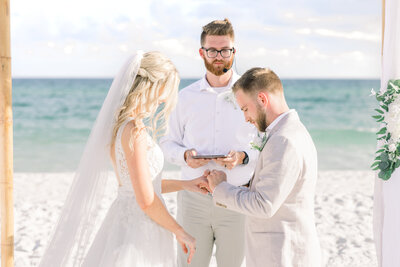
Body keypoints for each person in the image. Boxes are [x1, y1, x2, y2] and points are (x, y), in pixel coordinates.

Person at [39, 51, 207, 267]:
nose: (164, 101)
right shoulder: (134, 130)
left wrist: (187, 184)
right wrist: (180, 231)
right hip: (140, 227)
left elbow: (141, 185)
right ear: (151, 87)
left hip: (125, 219)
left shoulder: (120, 126)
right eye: (164, 92)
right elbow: (146, 200)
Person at [160, 19, 258, 267]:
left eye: (225, 50)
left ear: (234, 52)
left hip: (238, 197)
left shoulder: (251, 95)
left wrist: (242, 157)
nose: (219, 56)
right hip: (194, 199)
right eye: (212, 50)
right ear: (201, 52)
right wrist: (184, 156)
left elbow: (265, 145)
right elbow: (167, 143)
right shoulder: (184, 97)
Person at [205, 67, 321, 267]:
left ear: (262, 99)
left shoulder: (284, 140)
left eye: (245, 109)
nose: (245, 118)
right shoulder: (292, 131)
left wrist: (220, 188)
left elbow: (264, 205)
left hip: (280, 254)